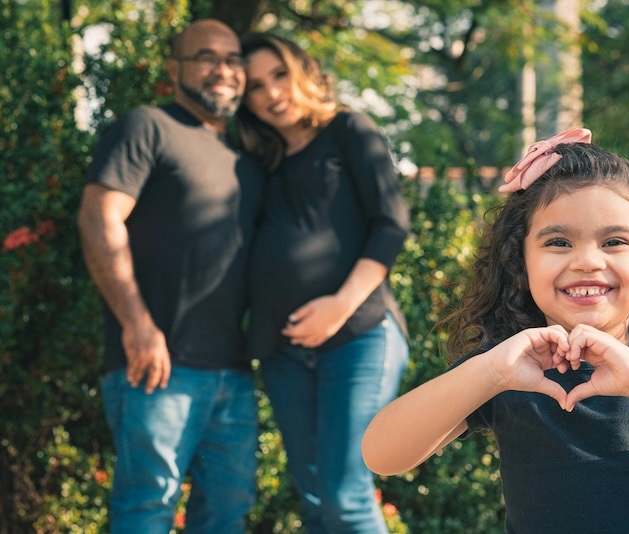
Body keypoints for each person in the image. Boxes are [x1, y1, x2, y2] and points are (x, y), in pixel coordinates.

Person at [362, 128, 629, 533]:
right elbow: (382, 454)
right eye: (558, 242)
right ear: (520, 264)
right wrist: (489, 373)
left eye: (614, 241)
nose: (587, 261)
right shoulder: (505, 365)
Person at [77, 19, 263, 533]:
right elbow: (98, 217)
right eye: (207, 57)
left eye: (233, 59)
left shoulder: (245, 159)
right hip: (155, 365)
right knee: (146, 507)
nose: (223, 70)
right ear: (174, 69)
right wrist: (136, 324)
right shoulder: (147, 127)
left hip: (233, 370)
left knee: (227, 512)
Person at [236, 32, 410, 533]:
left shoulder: (348, 130)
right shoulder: (259, 160)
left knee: (344, 495)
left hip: (359, 332)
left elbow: (391, 223)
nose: (271, 93)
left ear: (303, 72)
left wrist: (339, 304)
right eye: (254, 86)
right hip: (285, 350)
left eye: (278, 75)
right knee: (314, 498)